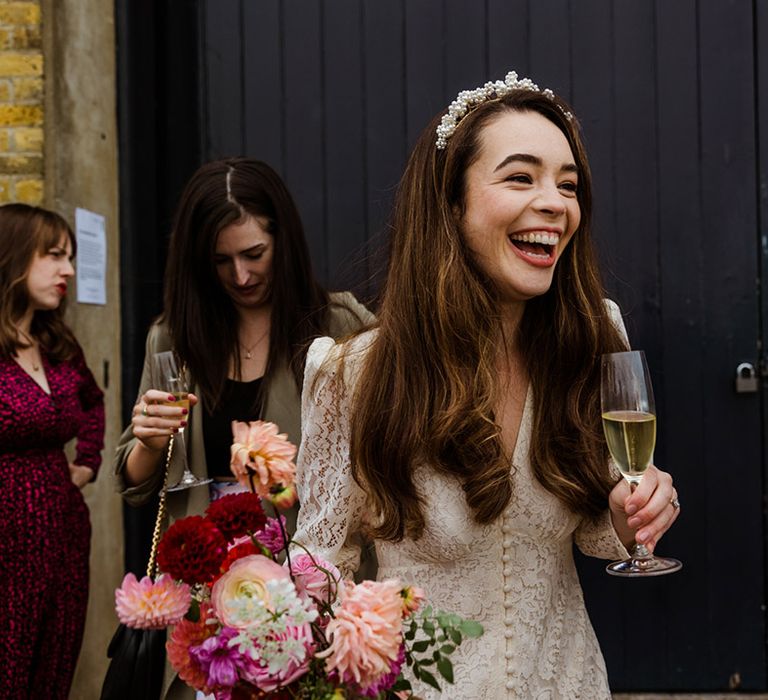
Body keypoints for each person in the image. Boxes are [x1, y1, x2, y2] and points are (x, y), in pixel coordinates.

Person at [294, 72, 681, 699]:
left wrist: (631, 515)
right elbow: (318, 569)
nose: (556, 202)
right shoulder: (355, 373)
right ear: (451, 202)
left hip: (569, 683)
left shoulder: (594, 335)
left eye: (568, 184)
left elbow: (598, 532)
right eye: (520, 177)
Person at [113, 158, 374, 698]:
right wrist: (148, 439)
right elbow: (136, 482)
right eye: (220, 261)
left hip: (309, 591)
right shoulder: (173, 338)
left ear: (285, 239)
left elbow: (395, 451)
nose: (241, 276)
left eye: (255, 254)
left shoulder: (337, 327)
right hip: (205, 600)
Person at [0, 203, 104, 699]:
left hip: (64, 536)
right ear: (13, 256)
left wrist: (87, 463)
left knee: (53, 674)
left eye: (71, 256)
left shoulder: (55, 342)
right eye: (54, 256)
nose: (69, 270)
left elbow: (92, 402)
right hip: (7, 544)